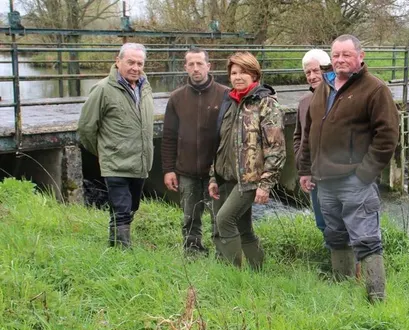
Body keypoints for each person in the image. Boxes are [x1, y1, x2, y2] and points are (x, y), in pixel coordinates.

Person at [298, 35, 399, 302]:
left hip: (355, 181)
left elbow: (387, 136)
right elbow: (309, 132)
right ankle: (341, 293)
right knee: (335, 237)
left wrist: (364, 174)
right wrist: (306, 168)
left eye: (347, 55)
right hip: (325, 181)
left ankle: (377, 301)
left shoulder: (375, 89)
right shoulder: (324, 87)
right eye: (336, 55)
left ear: (360, 56)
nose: (340, 60)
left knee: (366, 240)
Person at [208, 51, 286, 270]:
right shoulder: (230, 102)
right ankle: (259, 271)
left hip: (250, 179)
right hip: (228, 177)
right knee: (243, 227)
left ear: (255, 75)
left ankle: (234, 274)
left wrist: (265, 184)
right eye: (234, 72)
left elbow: (276, 148)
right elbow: (220, 143)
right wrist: (213, 176)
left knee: (224, 220)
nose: (238, 77)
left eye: (244, 72)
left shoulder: (265, 103)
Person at [78, 43, 154, 248]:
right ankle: (122, 253)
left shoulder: (145, 86)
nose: (135, 67)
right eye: (130, 62)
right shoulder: (103, 89)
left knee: (131, 207)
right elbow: (86, 128)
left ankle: (115, 244)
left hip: (140, 162)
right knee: (121, 209)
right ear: (118, 61)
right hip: (116, 162)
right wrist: (105, 152)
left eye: (139, 63)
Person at [161, 48, 229, 256]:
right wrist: (168, 169)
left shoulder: (225, 94)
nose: (195, 68)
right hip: (187, 170)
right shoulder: (176, 98)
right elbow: (169, 136)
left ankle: (223, 255)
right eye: (191, 64)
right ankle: (193, 252)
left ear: (209, 66)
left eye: (200, 64)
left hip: (217, 171)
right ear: (185, 68)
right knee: (190, 217)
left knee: (220, 216)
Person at [293, 49, 331, 233]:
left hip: (336, 175)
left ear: (327, 69)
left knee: (343, 226)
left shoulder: (339, 98)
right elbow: (298, 136)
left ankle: (352, 262)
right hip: (314, 176)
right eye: (308, 72)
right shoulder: (304, 102)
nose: (312, 76)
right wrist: (302, 166)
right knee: (322, 224)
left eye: (316, 71)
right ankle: (333, 261)